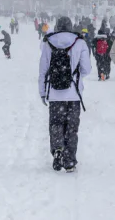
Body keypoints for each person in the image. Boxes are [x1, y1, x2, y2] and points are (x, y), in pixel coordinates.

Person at [38, 16, 92, 172]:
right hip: (74, 94)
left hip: (55, 94)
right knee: (71, 128)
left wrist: (42, 92)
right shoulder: (79, 42)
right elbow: (86, 69)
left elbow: (42, 71)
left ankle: (57, 149)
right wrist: (74, 74)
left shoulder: (48, 42)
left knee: (56, 124)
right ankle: (69, 161)